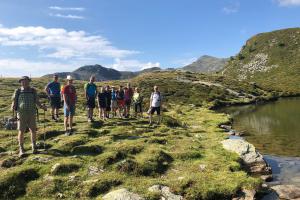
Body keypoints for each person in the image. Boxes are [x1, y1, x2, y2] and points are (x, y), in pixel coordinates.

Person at [11, 76, 47, 157]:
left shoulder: (33, 90)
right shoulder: (18, 91)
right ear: (21, 82)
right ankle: (21, 148)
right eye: (23, 81)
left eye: (26, 81)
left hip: (32, 113)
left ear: (28, 82)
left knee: (33, 130)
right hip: (21, 113)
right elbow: (14, 101)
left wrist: (42, 107)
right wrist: (13, 106)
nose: (25, 82)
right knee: (21, 131)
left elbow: (37, 101)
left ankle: (34, 147)